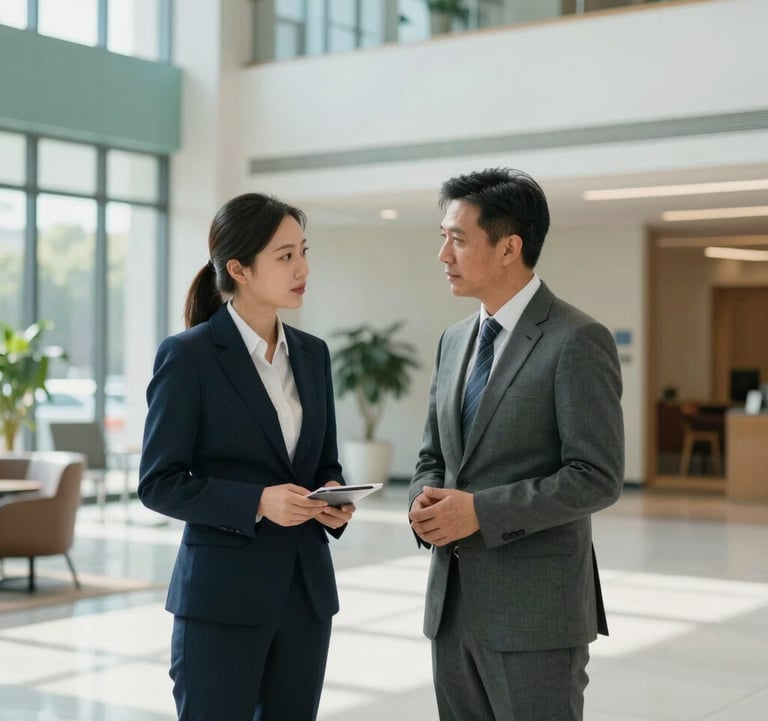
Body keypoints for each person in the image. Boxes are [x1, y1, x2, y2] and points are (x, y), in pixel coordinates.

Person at [408, 168, 624, 721]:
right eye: (443, 236)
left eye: (457, 238)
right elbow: (435, 453)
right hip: (452, 608)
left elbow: (595, 476)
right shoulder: (454, 340)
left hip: (536, 615)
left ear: (509, 247)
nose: (443, 255)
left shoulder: (576, 340)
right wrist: (424, 500)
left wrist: (480, 512)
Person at [138, 192, 355, 721]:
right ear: (239, 268)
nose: (302, 268)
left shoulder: (312, 354)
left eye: (302, 251)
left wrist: (333, 498)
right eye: (285, 256)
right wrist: (258, 501)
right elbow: (159, 482)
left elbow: (322, 461)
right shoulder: (188, 356)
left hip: (305, 597)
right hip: (221, 602)